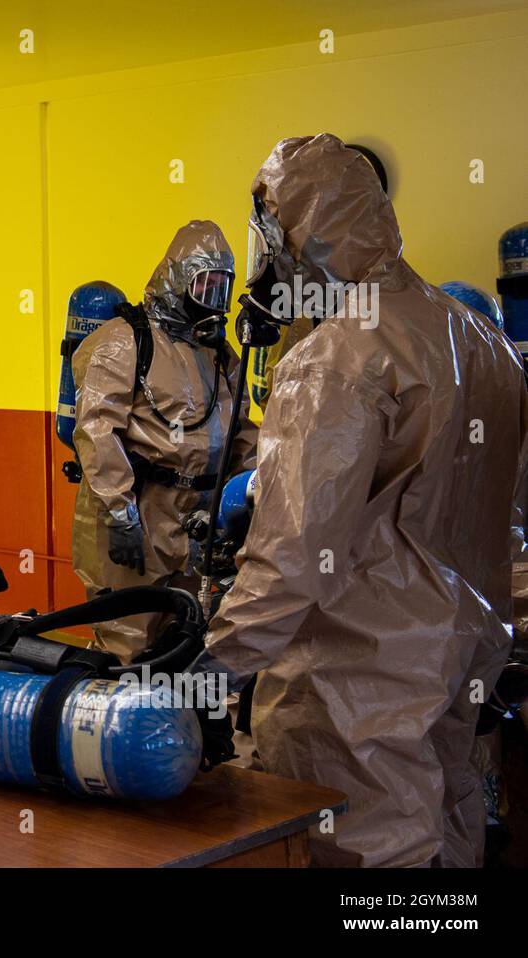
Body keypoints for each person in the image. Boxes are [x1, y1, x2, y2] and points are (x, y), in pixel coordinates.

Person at [192, 133, 528, 866]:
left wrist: (214, 665)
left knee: (368, 847)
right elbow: (511, 516)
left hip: (355, 671)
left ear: (301, 236)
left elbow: (292, 556)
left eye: (271, 232)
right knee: (448, 818)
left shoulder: (336, 356)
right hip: (464, 649)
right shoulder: (480, 338)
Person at [71, 220, 258, 662]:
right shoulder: (123, 342)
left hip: (200, 518)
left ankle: (171, 729)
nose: (213, 301)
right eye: (203, 286)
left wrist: (249, 495)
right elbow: (97, 430)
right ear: (178, 281)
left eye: (221, 288)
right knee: (129, 640)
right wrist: (120, 512)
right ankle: (117, 726)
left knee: (190, 633)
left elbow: (241, 429)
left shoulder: (218, 354)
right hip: (143, 509)